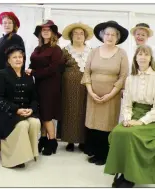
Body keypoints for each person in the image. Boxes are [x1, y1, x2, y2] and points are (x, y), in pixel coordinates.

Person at [104, 45, 155, 188]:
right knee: (118, 132)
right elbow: (127, 104)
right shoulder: (130, 79)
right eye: (139, 54)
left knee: (132, 135)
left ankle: (130, 176)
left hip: (153, 119)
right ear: (135, 58)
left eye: (146, 54)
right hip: (134, 114)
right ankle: (121, 170)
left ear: (151, 58)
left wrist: (140, 122)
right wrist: (127, 119)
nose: (142, 57)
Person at [81, 21, 129, 165]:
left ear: (117, 37)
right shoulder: (94, 51)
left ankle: (104, 155)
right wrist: (90, 91)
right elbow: (87, 72)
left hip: (111, 97)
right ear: (102, 35)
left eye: (113, 35)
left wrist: (111, 94)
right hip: (93, 95)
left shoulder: (122, 53)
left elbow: (123, 76)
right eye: (107, 34)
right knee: (94, 123)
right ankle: (94, 152)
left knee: (107, 124)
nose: (110, 37)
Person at [0, 45, 40, 168]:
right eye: (14, 57)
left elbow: (34, 98)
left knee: (35, 122)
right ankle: (15, 158)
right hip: (7, 112)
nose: (18, 59)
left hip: (25, 111)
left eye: (20, 57)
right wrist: (16, 109)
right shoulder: (2, 74)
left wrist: (31, 109)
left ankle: (29, 153)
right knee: (23, 124)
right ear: (9, 60)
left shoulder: (28, 77)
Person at [26, 20, 64, 156]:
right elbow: (33, 63)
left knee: (47, 114)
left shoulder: (56, 50)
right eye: (43, 30)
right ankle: (43, 139)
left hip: (51, 85)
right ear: (40, 33)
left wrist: (34, 72)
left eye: (48, 29)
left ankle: (52, 141)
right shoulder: (37, 49)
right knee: (40, 113)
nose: (46, 31)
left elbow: (53, 69)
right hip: (39, 84)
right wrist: (29, 69)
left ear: (53, 33)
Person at [60, 22, 93, 152]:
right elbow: (60, 68)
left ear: (85, 36)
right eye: (75, 33)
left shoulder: (91, 51)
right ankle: (70, 140)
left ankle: (83, 140)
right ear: (71, 36)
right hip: (69, 86)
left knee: (84, 111)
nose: (78, 36)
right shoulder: (65, 50)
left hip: (87, 86)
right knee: (70, 111)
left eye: (81, 33)